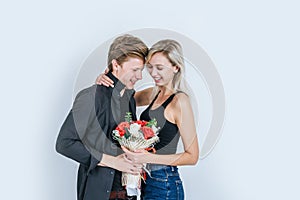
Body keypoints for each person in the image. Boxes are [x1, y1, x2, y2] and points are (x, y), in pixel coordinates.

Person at [97, 39, 199, 200]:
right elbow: (121, 99)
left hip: (164, 182)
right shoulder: (153, 93)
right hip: (144, 180)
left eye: (159, 68)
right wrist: (106, 78)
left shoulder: (180, 101)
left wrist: (147, 158)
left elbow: (192, 156)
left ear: (176, 67)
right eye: (150, 67)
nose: (153, 73)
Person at [56, 34, 148, 200]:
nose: (140, 76)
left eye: (141, 70)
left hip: (128, 193)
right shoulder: (90, 96)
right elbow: (64, 143)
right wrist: (112, 161)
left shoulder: (129, 99)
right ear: (115, 65)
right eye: (135, 70)